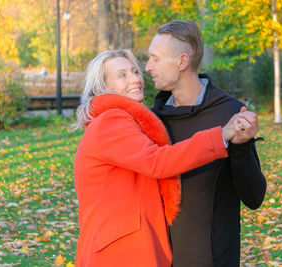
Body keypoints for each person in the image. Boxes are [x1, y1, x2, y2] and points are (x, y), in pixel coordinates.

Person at [72, 49, 258, 267]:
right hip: (119, 251)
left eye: (135, 71)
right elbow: (157, 161)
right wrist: (221, 135)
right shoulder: (111, 121)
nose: (135, 79)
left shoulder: (120, 121)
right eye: (122, 75)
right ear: (101, 88)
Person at [146, 20, 267, 267]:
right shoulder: (153, 120)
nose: (147, 67)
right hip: (159, 258)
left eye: (155, 59)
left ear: (181, 62)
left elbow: (254, 197)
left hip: (214, 259)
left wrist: (241, 148)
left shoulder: (230, 114)